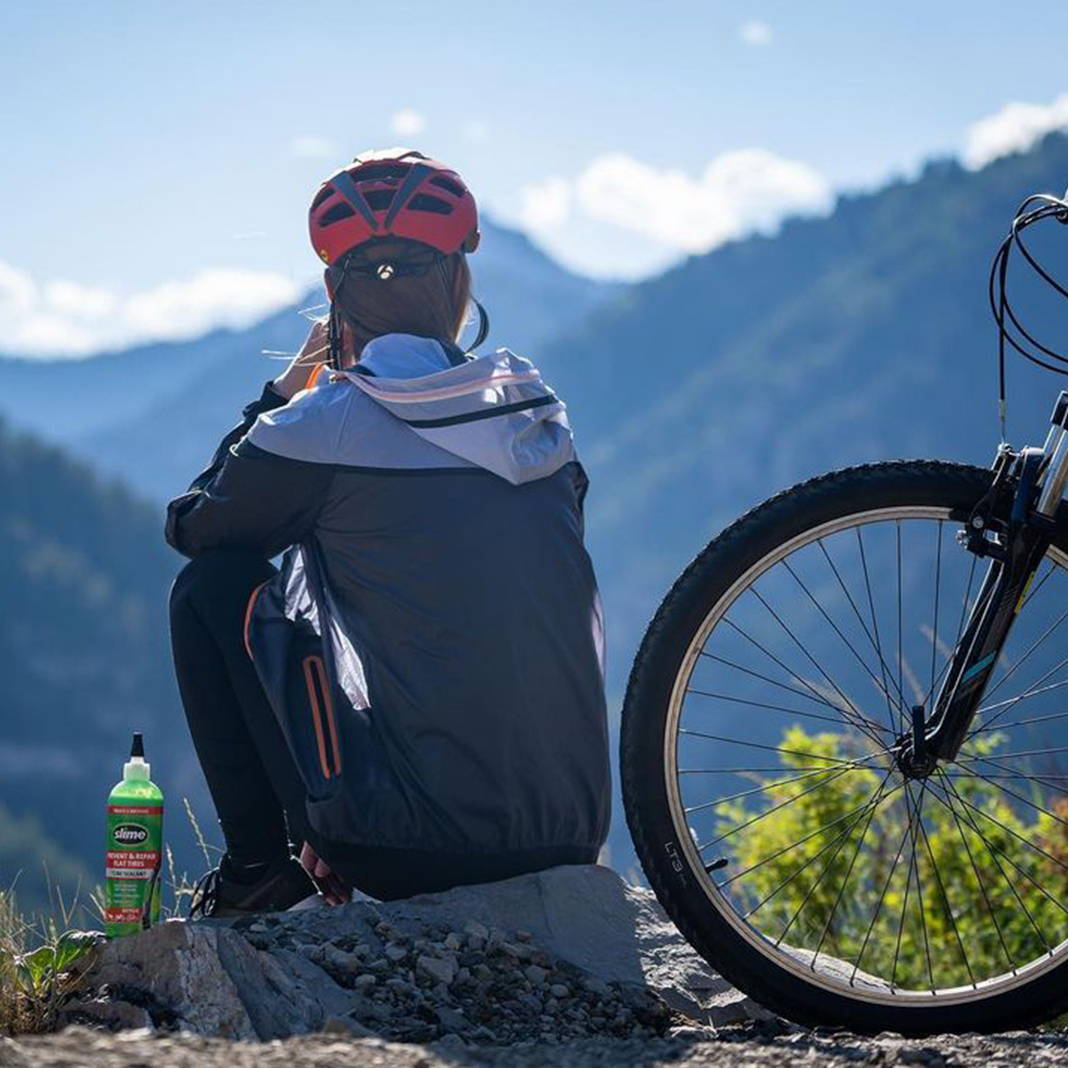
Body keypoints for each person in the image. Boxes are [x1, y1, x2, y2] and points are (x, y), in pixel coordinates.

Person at [166, 148, 611, 916]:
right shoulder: (535, 417)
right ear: (459, 284)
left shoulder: (325, 425)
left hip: (416, 846)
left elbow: (197, 524)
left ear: (336, 296)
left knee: (208, 587)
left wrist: (288, 384)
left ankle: (256, 872)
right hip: (568, 829)